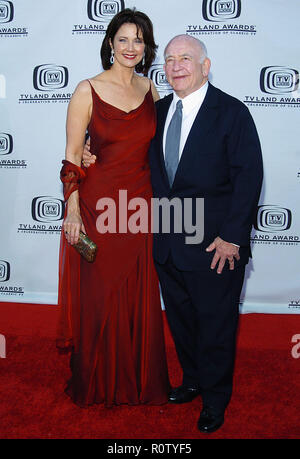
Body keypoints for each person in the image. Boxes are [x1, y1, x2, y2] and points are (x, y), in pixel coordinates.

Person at [84, 34, 263, 432]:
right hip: (166, 241)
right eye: (169, 59)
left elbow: (249, 177)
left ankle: (216, 400)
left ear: (205, 65)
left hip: (216, 245)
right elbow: (125, 150)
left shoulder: (231, 112)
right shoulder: (157, 111)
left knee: (216, 326)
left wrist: (233, 237)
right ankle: (194, 381)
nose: (176, 65)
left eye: (186, 58)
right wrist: (87, 151)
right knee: (182, 322)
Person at [57, 8, 170, 408]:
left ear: (146, 47)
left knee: (138, 294)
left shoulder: (152, 91)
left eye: (138, 40)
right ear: (109, 43)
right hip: (98, 207)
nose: (130, 47)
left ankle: (139, 382)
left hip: (140, 207)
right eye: (123, 39)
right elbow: (72, 156)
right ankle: (98, 381)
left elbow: (160, 152)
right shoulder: (87, 89)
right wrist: (71, 211)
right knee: (100, 296)